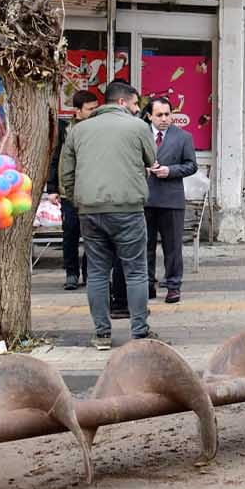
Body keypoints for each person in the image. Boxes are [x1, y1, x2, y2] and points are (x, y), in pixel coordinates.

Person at [59, 81, 157, 350]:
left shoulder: (79, 130)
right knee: (136, 271)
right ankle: (139, 331)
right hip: (128, 210)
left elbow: (65, 171)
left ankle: (102, 334)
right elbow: (152, 159)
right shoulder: (138, 127)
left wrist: (76, 201)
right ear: (123, 102)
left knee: (98, 273)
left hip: (90, 210)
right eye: (136, 103)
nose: (138, 109)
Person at [144, 96, 198, 303]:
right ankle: (148, 284)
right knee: (145, 245)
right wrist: (145, 169)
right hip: (145, 198)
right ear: (149, 116)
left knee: (173, 246)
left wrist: (171, 170)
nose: (165, 119)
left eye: (168, 114)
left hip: (171, 198)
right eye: (159, 115)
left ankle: (174, 285)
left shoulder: (183, 137)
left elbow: (191, 165)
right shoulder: (140, 134)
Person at [45, 89, 99, 290]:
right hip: (69, 191)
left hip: (94, 190)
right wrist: (52, 188)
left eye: (96, 108)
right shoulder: (65, 129)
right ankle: (71, 273)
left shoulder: (99, 128)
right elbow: (55, 159)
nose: (94, 112)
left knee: (94, 236)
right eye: (90, 109)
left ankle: (90, 273)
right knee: (70, 234)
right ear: (77, 110)